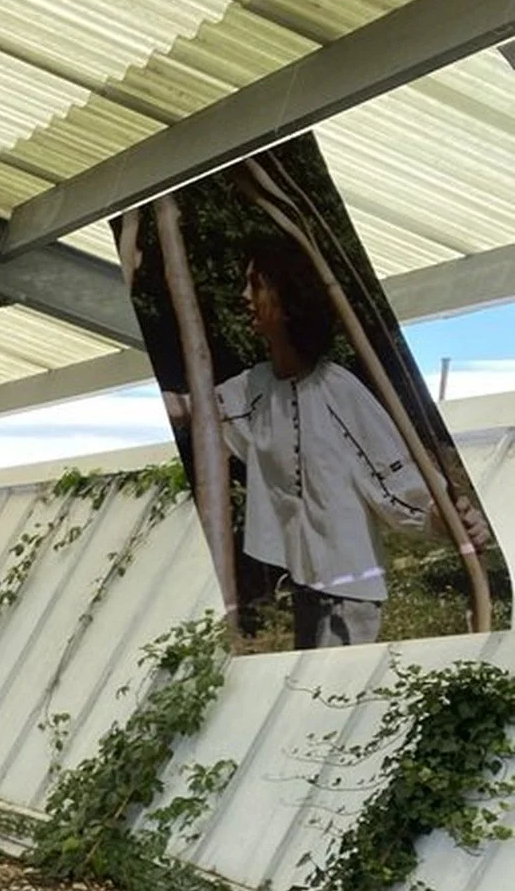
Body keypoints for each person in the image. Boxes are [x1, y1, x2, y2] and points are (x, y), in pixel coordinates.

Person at [207, 235, 489, 649]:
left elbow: (393, 481)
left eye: (256, 283)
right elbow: (199, 407)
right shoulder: (256, 387)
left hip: (348, 594)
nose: (244, 295)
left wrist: (445, 518)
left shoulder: (337, 389)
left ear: (286, 296)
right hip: (305, 587)